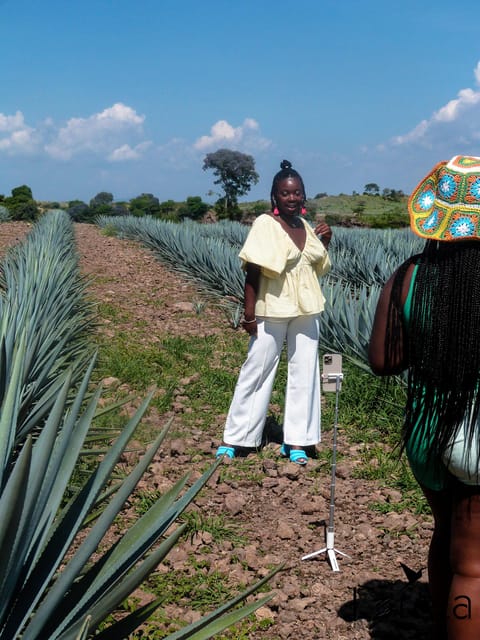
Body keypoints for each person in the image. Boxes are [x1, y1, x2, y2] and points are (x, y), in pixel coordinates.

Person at [368, 155, 480, 640]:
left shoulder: (409, 275)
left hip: (425, 430)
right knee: (474, 565)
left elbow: (384, 362)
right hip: (476, 434)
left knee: (443, 537)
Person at [216, 159, 332, 465]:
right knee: (257, 368)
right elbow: (253, 271)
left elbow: (313, 271)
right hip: (272, 308)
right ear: (274, 196)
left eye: (297, 193)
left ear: (304, 196)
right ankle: (237, 437)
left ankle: (298, 441)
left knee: (305, 371)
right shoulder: (265, 224)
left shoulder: (305, 227)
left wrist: (326, 242)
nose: (292, 198)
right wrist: (249, 313)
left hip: (307, 309)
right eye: (285, 193)